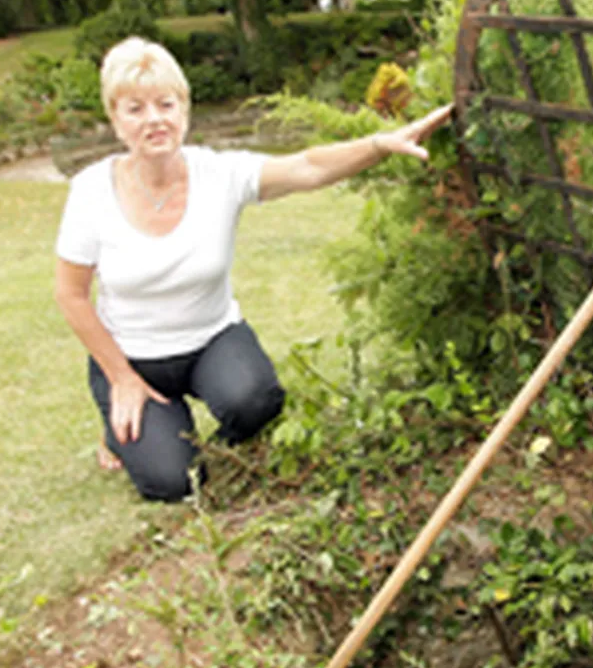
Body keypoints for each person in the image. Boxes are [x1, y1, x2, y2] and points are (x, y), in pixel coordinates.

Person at [54, 36, 451, 502]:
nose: (155, 119)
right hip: (131, 356)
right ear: (116, 121)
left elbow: (307, 167)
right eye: (135, 109)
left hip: (210, 340)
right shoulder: (91, 192)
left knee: (256, 402)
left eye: (166, 103)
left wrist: (381, 143)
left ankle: (174, 436)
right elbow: (71, 294)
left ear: (184, 109)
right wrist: (121, 377)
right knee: (171, 483)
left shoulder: (219, 174)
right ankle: (124, 430)